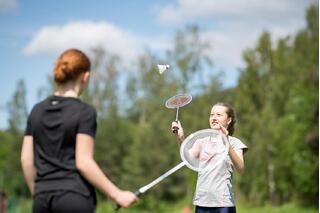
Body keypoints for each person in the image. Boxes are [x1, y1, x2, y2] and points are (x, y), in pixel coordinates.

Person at [21, 49, 138, 213]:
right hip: (74, 198)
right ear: (85, 77)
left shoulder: (36, 111)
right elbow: (83, 162)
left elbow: (26, 159)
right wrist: (117, 194)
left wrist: (38, 192)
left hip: (42, 199)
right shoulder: (84, 112)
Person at [171, 102, 247, 213]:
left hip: (223, 204)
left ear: (229, 120)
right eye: (212, 115)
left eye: (219, 115)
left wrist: (226, 142)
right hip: (202, 203)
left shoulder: (235, 143)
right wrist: (181, 138)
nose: (214, 118)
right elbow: (188, 159)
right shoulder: (201, 142)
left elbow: (240, 167)